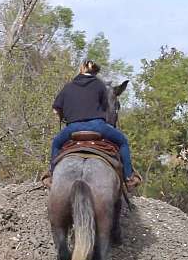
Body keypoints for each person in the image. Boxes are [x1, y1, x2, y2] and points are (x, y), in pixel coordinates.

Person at [42, 59, 141, 188]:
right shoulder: (99, 85)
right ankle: (129, 177)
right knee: (123, 142)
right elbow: (106, 107)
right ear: (95, 72)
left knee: (56, 143)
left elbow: (56, 110)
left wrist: (65, 115)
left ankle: (52, 175)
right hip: (97, 127)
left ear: (81, 69)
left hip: (73, 128)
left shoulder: (68, 86)